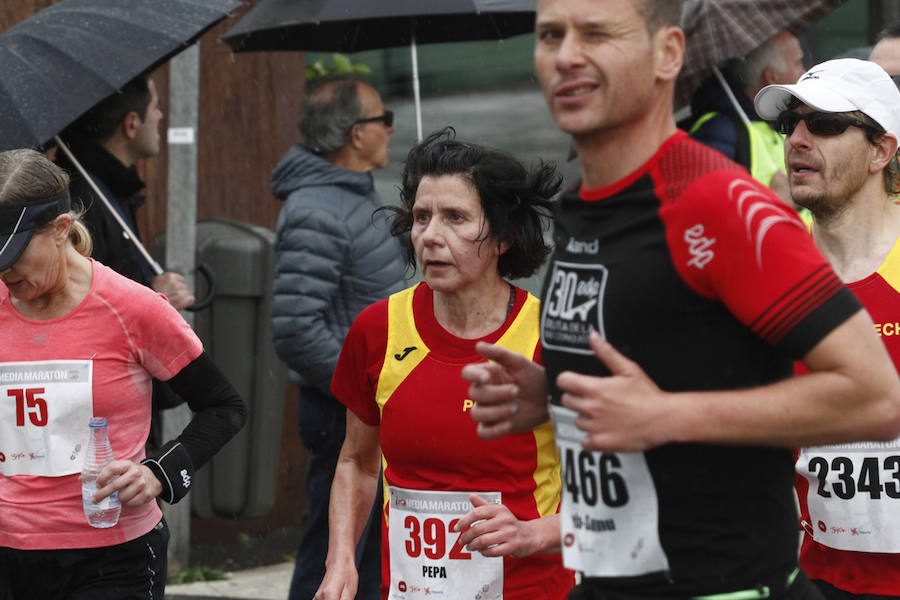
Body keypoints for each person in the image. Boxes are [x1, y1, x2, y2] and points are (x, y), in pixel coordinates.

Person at [461, 1, 900, 598]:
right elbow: (666, 377)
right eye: (549, 36)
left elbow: (877, 397)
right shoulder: (581, 208)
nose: (566, 56)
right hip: (607, 580)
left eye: (596, 34)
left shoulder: (718, 204)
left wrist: (665, 416)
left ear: (668, 53)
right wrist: (557, 396)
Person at [314, 128, 573, 600]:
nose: (430, 236)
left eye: (455, 218)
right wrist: (341, 562)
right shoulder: (377, 331)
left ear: (504, 238)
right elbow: (357, 461)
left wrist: (534, 534)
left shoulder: (553, 337)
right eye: (421, 217)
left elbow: (620, 495)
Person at [0, 149, 246, 599]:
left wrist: (159, 473)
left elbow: (225, 407)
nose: (4, 268)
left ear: (59, 230)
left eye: (13, 253)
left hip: (112, 559)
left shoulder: (133, 308)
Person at [754, 58, 900, 600]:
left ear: (881, 151)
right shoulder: (762, 279)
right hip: (819, 583)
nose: (796, 138)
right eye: (790, 122)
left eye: (826, 123)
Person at [270, 76, 407, 600]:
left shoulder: (353, 196)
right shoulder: (316, 210)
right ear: (355, 134)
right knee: (335, 553)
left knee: (369, 558)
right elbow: (297, 330)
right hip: (342, 409)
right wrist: (366, 394)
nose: (390, 128)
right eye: (381, 118)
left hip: (369, 402)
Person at [57, 73, 194, 310]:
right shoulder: (84, 200)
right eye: (155, 107)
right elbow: (82, 304)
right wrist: (152, 298)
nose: (160, 115)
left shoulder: (112, 189)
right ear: (131, 124)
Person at [685, 30, 806, 205]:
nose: (805, 72)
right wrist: (776, 203)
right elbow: (706, 211)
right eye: (798, 63)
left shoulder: (779, 122)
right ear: (772, 76)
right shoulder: (719, 131)